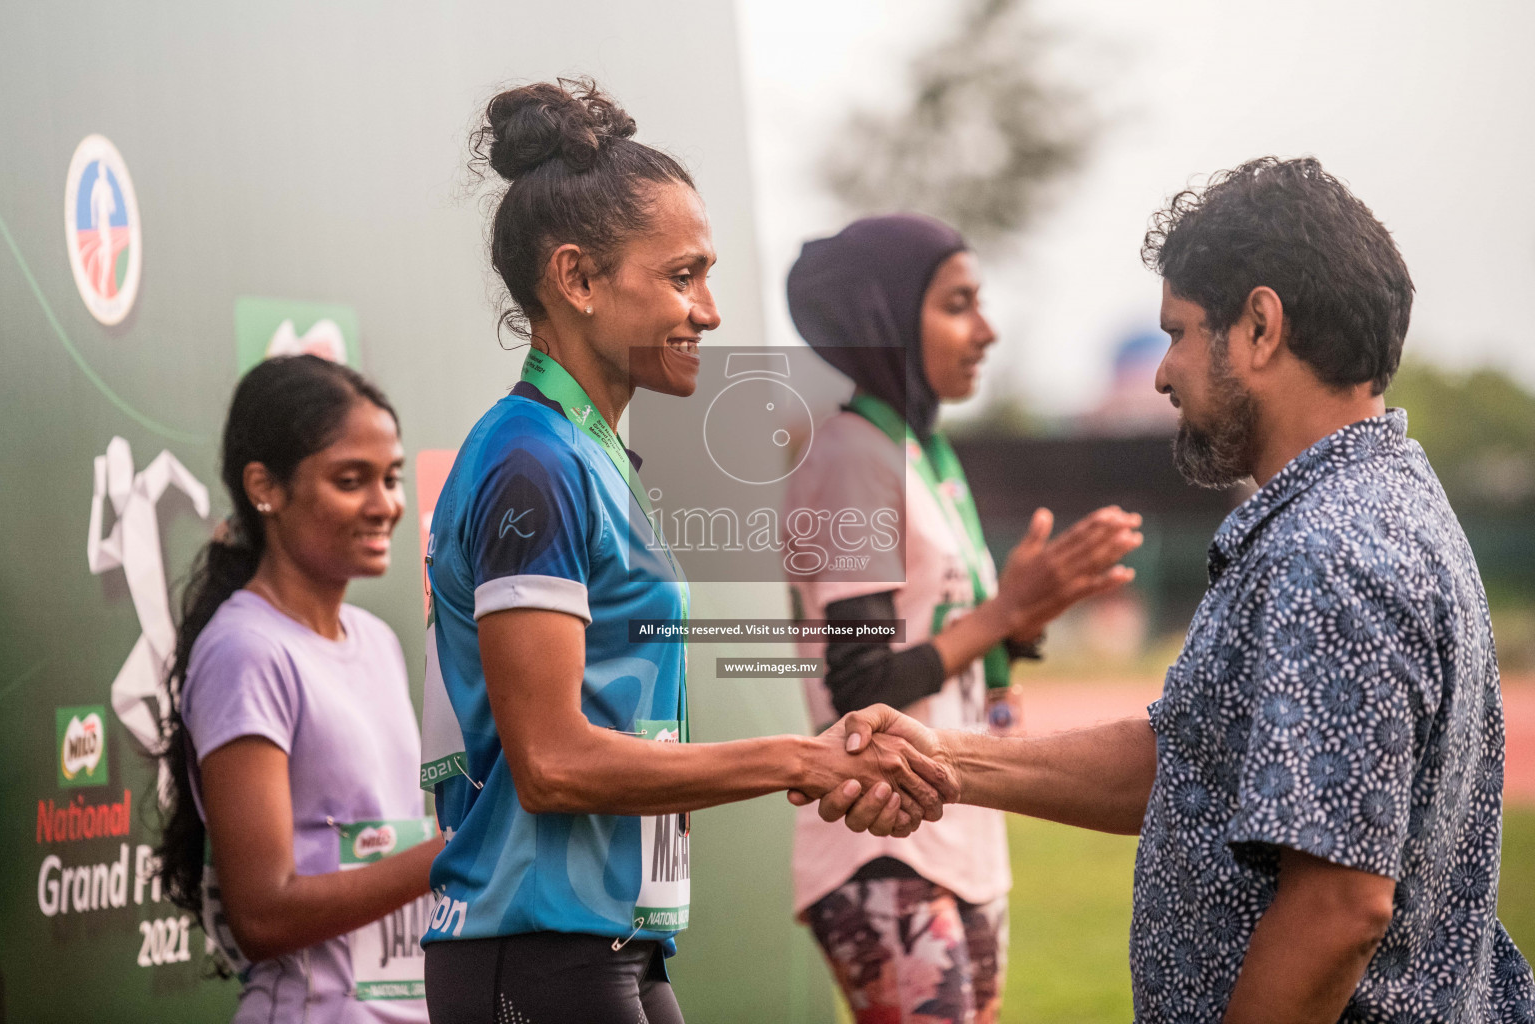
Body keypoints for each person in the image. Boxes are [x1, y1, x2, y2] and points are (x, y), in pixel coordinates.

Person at [811, 157, 1535, 1022]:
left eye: (1180, 332)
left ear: (1261, 327)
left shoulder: (1329, 553)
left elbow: (1339, 906)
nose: (1163, 375)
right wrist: (947, 758)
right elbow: (1190, 762)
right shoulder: (1379, 504)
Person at [417, 79, 958, 1024]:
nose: (709, 311)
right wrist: (802, 758)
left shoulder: (581, 451)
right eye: (681, 275)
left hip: (604, 939)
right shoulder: (531, 459)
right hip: (535, 944)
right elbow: (552, 764)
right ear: (577, 280)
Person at [782, 213, 1144, 1024]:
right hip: (881, 841)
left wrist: (1024, 617)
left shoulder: (922, 452)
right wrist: (1003, 612)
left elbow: (947, 635)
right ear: (886, 317)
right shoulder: (849, 453)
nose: (986, 329)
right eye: (957, 304)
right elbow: (862, 680)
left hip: (959, 834)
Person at [158, 354, 441, 1024]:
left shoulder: (377, 641)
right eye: (352, 481)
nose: (386, 505)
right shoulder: (246, 652)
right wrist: (454, 855)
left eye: (393, 478)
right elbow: (261, 914)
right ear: (266, 488)